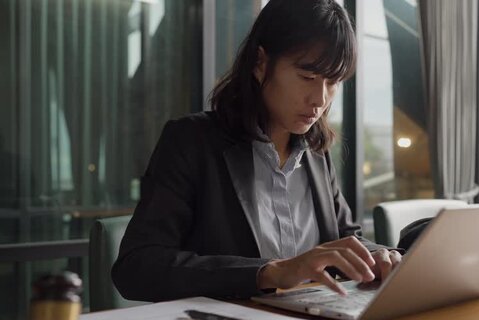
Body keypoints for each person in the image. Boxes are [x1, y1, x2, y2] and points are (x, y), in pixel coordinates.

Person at [112, 0, 402, 302]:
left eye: (333, 82)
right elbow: (136, 268)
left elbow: (345, 239)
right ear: (260, 64)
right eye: (308, 77)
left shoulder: (316, 155)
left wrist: (382, 256)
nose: (320, 99)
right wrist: (269, 272)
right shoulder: (191, 142)